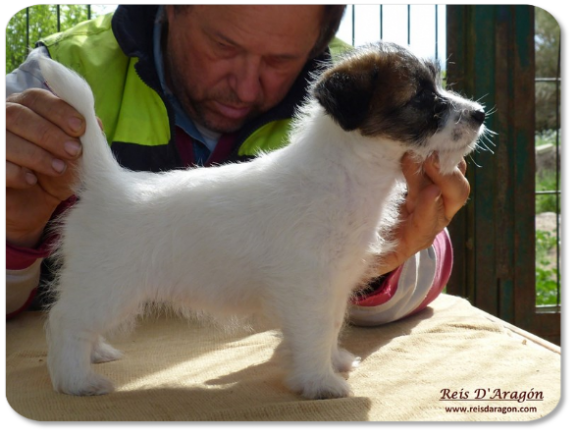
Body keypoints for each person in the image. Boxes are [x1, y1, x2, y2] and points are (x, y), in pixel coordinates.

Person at [5, 5, 470, 324]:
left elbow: (428, 268)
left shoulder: (359, 91)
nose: (246, 87)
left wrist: (383, 263)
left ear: (315, 43)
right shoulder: (55, 77)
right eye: (222, 46)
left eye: (281, 61)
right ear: (170, 7)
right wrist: (13, 233)